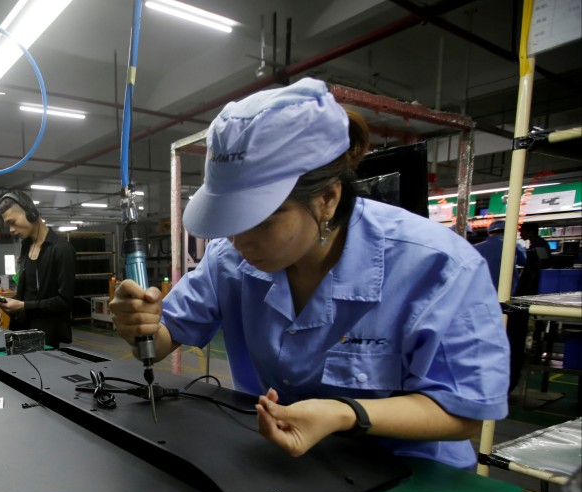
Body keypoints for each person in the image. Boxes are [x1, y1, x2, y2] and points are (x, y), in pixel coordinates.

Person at [109, 78, 510, 470]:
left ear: (326, 199)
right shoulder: (228, 261)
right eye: (231, 219)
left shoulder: (437, 266)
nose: (239, 241)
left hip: (406, 477)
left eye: (261, 220)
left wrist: (344, 413)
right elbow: (162, 339)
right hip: (280, 464)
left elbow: (465, 411)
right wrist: (140, 324)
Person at [0, 189, 76, 347]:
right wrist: (5, 303)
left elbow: (64, 301)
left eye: (12, 222)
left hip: (47, 339)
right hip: (21, 333)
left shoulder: (61, 250)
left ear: (31, 214)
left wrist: (23, 306)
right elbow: (27, 296)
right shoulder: (26, 247)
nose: (10, 230)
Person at [474, 220, 526, 293]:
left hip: (481, 291)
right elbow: (525, 263)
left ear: (489, 232)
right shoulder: (515, 246)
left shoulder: (475, 248)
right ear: (508, 231)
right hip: (508, 292)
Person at [515, 222, 551, 296]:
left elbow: (543, 264)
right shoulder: (536, 243)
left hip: (533, 282)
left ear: (531, 232)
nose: (520, 234)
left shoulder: (539, 244)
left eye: (522, 232)